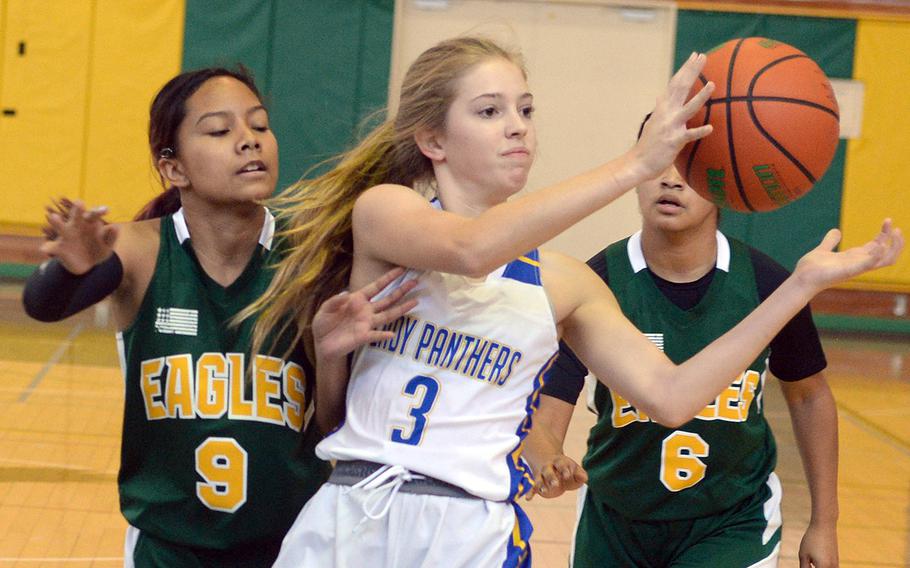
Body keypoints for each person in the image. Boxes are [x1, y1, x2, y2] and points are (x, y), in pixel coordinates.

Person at [248, 37, 901, 567]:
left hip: (467, 535)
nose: (517, 129)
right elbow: (471, 250)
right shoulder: (388, 215)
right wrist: (634, 164)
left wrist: (799, 287)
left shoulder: (565, 284)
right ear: (433, 140)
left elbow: (672, 398)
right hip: (349, 513)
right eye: (490, 111)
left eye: (526, 111)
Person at [21, 67, 374, 567]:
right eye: (219, 130)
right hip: (168, 551)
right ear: (174, 169)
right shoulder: (140, 250)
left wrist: (336, 355)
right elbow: (43, 305)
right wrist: (72, 269)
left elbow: (338, 422)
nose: (249, 141)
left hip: (294, 546)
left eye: (259, 125)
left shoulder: (311, 254)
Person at [525, 119, 842, 566]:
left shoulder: (769, 284)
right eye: (659, 159)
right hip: (614, 518)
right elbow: (547, 408)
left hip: (731, 521)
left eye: (689, 164)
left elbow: (809, 397)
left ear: (724, 181)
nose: (671, 178)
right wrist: (548, 457)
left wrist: (824, 524)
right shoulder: (597, 280)